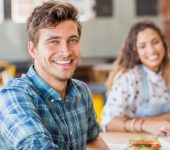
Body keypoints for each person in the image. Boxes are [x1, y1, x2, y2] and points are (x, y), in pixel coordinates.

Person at [0, 1, 109, 149]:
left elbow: (92, 140)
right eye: (53, 41)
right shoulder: (14, 95)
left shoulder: (81, 92)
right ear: (33, 50)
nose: (66, 51)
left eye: (72, 40)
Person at [101, 20, 170, 136]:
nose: (151, 50)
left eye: (155, 42)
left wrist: (154, 120)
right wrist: (145, 124)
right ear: (135, 51)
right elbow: (107, 122)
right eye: (142, 46)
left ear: (163, 43)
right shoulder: (129, 78)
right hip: (137, 142)